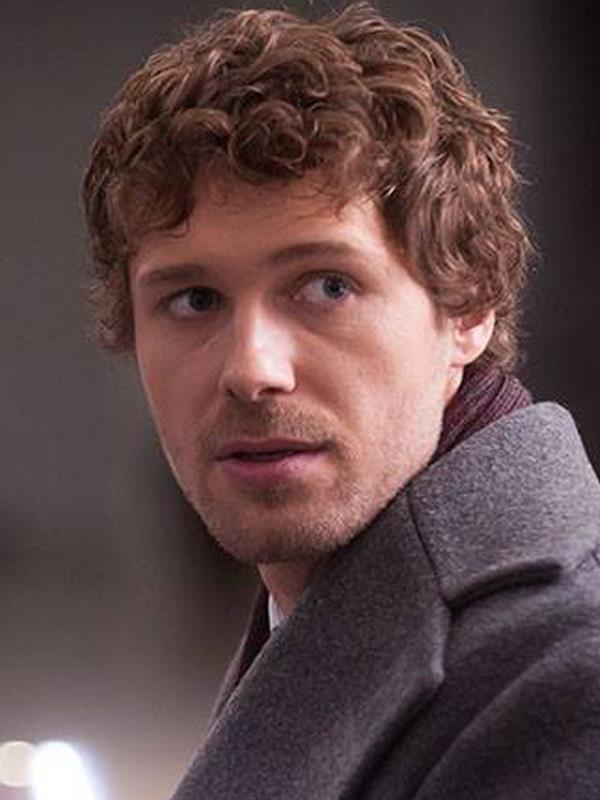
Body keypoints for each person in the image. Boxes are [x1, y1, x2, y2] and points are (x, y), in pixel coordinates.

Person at [82, 4, 600, 798]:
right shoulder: (354, 607)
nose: (252, 370)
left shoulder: (565, 681)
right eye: (194, 300)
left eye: (327, 287)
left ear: (468, 310)